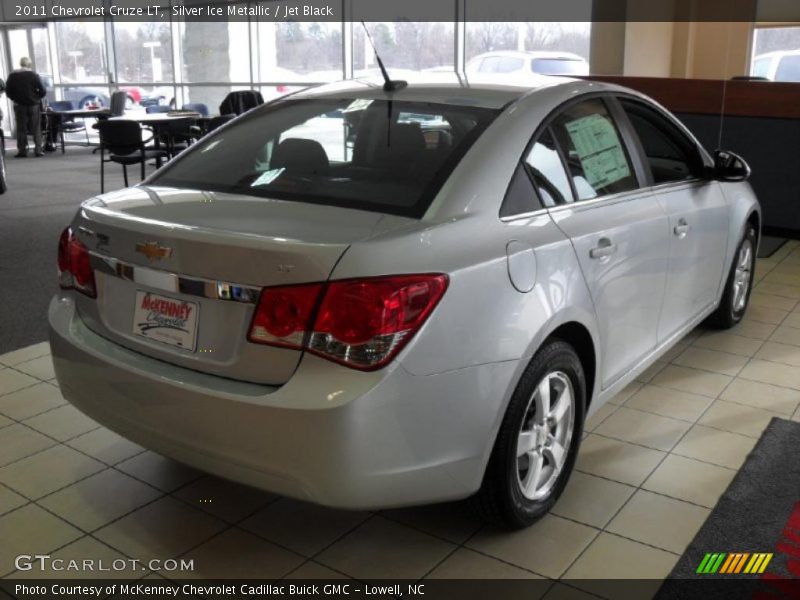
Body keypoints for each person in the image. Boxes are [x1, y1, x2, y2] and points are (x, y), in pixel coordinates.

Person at [5, 57, 47, 157]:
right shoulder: (34, 75)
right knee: (36, 128)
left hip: (19, 105)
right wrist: (36, 98)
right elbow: (43, 90)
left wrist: (15, 98)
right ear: (29, 64)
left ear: (20, 64)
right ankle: (38, 150)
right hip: (33, 105)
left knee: (21, 128)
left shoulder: (12, 76)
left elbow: (8, 91)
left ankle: (22, 151)